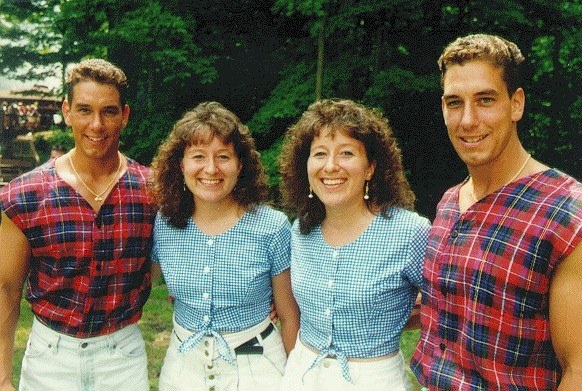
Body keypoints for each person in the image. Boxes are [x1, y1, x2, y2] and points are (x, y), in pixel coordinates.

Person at [410, 34, 582, 390]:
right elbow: (450, 308)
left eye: (485, 100)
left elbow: (578, 369)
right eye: (454, 103)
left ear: (516, 104)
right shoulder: (448, 203)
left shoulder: (565, 213)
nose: (468, 120)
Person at [0, 58, 157, 391]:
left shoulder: (152, 191)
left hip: (122, 358)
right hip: (50, 358)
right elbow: (6, 290)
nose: (96, 125)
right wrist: (2, 377)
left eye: (109, 111)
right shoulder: (24, 196)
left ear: (124, 116)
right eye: (85, 110)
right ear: (67, 111)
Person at [278, 98, 430, 390]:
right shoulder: (301, 231)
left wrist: (397, 317)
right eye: (320, 154)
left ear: (371, 167)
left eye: (346, 153)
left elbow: (448, 311)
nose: (331, 166)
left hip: (374, 380)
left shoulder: (409, 232)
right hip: (302, 376)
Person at [150, 101, 300, 390]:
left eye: (223, 156)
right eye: (198, 156)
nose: (211, 168)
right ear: (181, 165)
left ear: (240, 165)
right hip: (183, 369)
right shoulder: (165, 224)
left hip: (257, 368)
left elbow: (289, 316)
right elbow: (137, 288)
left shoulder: (272, 227)